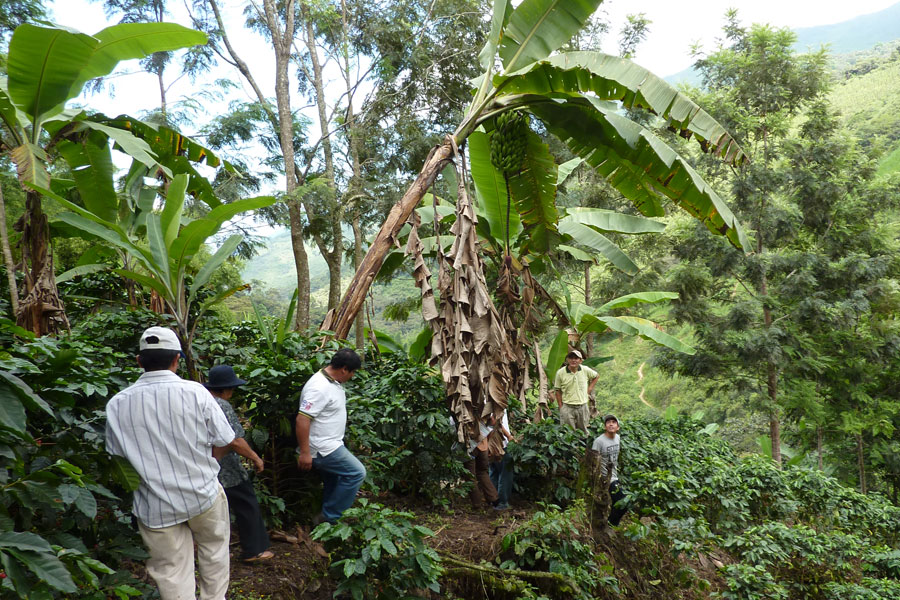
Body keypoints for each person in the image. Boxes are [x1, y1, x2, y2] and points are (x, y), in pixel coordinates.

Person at [105, 327, 235, 600]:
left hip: (154, 503)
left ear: (139, 361)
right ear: (177, 359)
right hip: (203, 493)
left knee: (171, 572)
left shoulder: (117, 404)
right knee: (214, 550)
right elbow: (225, 437)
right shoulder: (197, 393)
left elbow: (116, 457)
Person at [204, 365, 273, 564]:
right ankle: (254, 550)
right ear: (227, 389)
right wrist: (256, 458)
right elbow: (234, 440)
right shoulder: (222, 405)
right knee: (246, 504)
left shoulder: (199, 401)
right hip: (227, 470)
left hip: (204, 468)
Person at [296, 348, 366, 525]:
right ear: (344, 369)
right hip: (322, 448)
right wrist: (305, 453)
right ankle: (329, 516)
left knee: (334, 481)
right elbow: (302, 419)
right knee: (356, 473)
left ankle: (327, 527)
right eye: (352, 372)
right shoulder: (319, 387)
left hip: (332, 444)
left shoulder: (332, 382)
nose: (352, 376)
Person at [552, 349, 599, 432]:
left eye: (576, 358)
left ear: (580, 360)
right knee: (568, 432)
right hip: (567, 407)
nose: (573, 360)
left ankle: (583, 445)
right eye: (571, 358)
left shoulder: (585, 370)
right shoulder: (560, 373)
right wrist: (561, 407)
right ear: (567, 360)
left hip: (583, 407)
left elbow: (596, 376)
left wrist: (589, 389)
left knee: (584, 431)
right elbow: (557, 390)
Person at [591, 414, 625, 526]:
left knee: (620, 502)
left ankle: (611, 523)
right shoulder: (599, 441)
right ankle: (611, 524)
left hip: (614, 475)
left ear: (618, 427)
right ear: (605, 426)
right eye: (608, 422)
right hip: (605, 478)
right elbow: (593, 461)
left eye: (614, 422)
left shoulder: (618, 438)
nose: (611, 424)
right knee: (622, 502)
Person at [489, 409, 516, 510]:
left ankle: (493, 500)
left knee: (494, 471)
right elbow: (493, 420)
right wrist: (508, 435)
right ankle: (502, 502)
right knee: (505, 473)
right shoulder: (491, 398)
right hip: (500, 443)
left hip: (492, 442)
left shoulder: (484, 396)